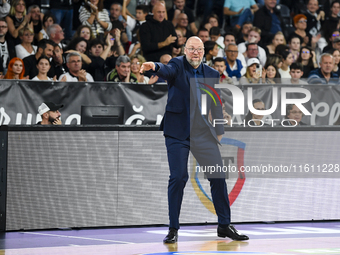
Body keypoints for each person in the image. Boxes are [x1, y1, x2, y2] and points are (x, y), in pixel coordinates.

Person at [140, 36, 249, 243]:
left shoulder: (211, 73)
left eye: (199, 49)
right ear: (185, 50)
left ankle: (224, 225)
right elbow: (165, 70)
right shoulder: (177, 65)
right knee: (178, 177)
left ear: (204, 52)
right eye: (191, 49)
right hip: (178, 133)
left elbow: (216, 104)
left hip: (203, 134)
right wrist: (154, 66)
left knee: (218, 177)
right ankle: (173, 229)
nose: (196, 52)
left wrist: (219, 130)